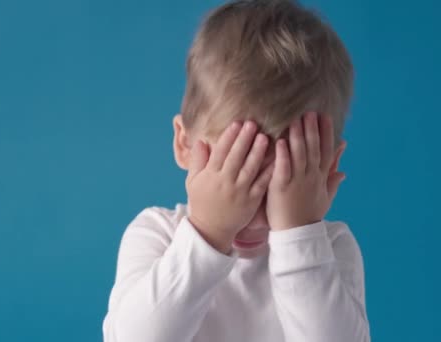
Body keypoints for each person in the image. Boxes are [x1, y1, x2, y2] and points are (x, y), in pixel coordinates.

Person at [102, 0, 370, 341]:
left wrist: (297, 235)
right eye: (235, 175)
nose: (251, 216)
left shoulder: (331, 250)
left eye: (277, 189)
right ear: (184, 143)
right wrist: (208, 233)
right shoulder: (157, 235)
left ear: (328, 167)